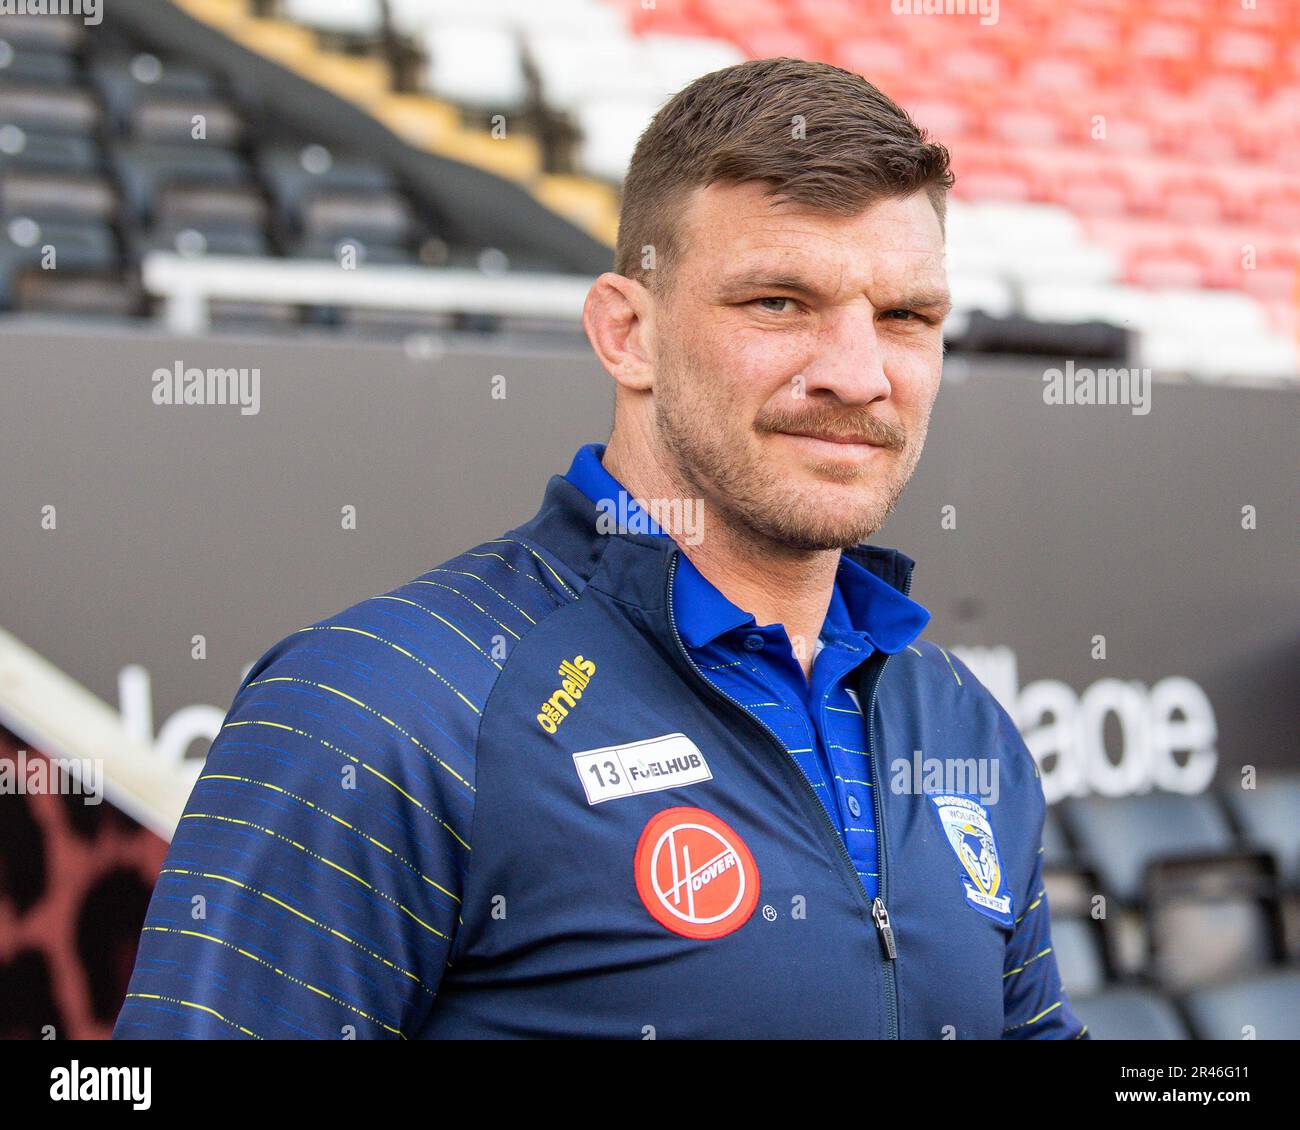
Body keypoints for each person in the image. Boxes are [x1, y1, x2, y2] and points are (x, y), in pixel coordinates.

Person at [114, 57, 1086, 1040]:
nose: (856, 373)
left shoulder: (959, 722)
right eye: (778, 303)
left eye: (904, 317)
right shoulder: (381, 706)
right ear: (627, 332)